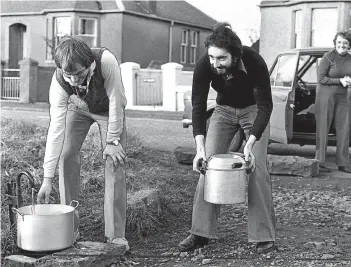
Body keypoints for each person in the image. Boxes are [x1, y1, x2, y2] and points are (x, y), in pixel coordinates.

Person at [178, 22, 276, 253]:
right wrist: (200, 149)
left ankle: (263, 235)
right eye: (212, 57)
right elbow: (199, 106)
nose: (215, 63)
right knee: (207, 166)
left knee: (257, 168)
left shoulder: (255, 62)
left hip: (253, 110)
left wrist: (250, 143)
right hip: (223, 110)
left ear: (235, 55)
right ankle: (200, 233)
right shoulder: (204, 65)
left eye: (221, 58)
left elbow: (265, 106)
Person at [36, 36, 130, 251]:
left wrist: (113, 141)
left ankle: (115, 236)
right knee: (66, 154)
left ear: (90, 64)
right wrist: (47, 178)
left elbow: (117, 101)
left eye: (78, 74)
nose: (73, 80)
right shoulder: (59, 81)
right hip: (78, 108)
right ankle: (70, 227)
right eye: (68, 75)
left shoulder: (106, 61)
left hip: (108, 111)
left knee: (114, 161)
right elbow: (56, 130)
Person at [315, 31, 351, 173]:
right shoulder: (328, 57)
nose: (342, 45)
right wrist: (340, 80)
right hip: (325, 96)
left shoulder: (350, 59)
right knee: (323, 128)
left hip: (343, 96)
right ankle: (320, 162)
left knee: (344, 128)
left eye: (345, 43)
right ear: (335, 43)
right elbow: (321, 78)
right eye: (340, 42)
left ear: (349, 45)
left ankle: (343, 162)